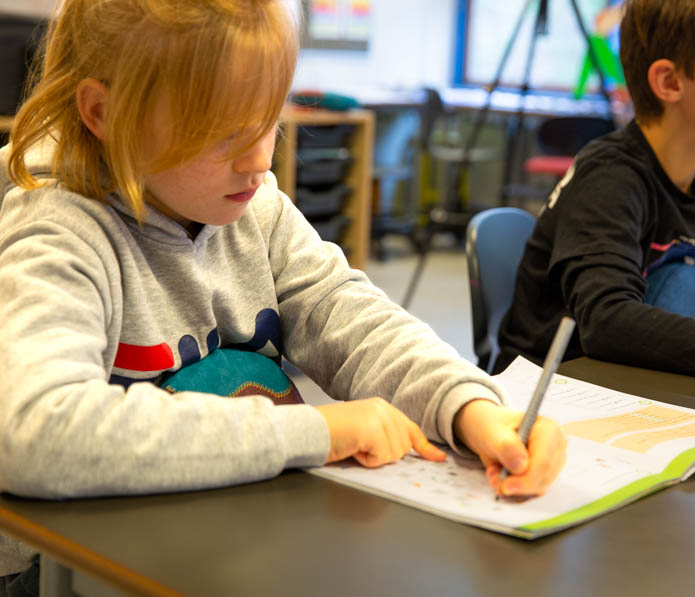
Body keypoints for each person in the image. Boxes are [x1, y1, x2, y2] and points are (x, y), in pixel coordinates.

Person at [0, 0, 567, 587]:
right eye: (221, 134)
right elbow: (32, 433)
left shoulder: (256, 207)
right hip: (63, 573)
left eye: (269, 121)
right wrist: (320, 431)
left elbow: (350, 320)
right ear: (103, 113)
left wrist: (471, 408)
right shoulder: (57, 228)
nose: (259, 161)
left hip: (220, 539)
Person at [497, 0, 695, 391]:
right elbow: (607, 321)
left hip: (638, 384)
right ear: (670, 82)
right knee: (684, 283)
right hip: (556, 389)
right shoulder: (610, 178)